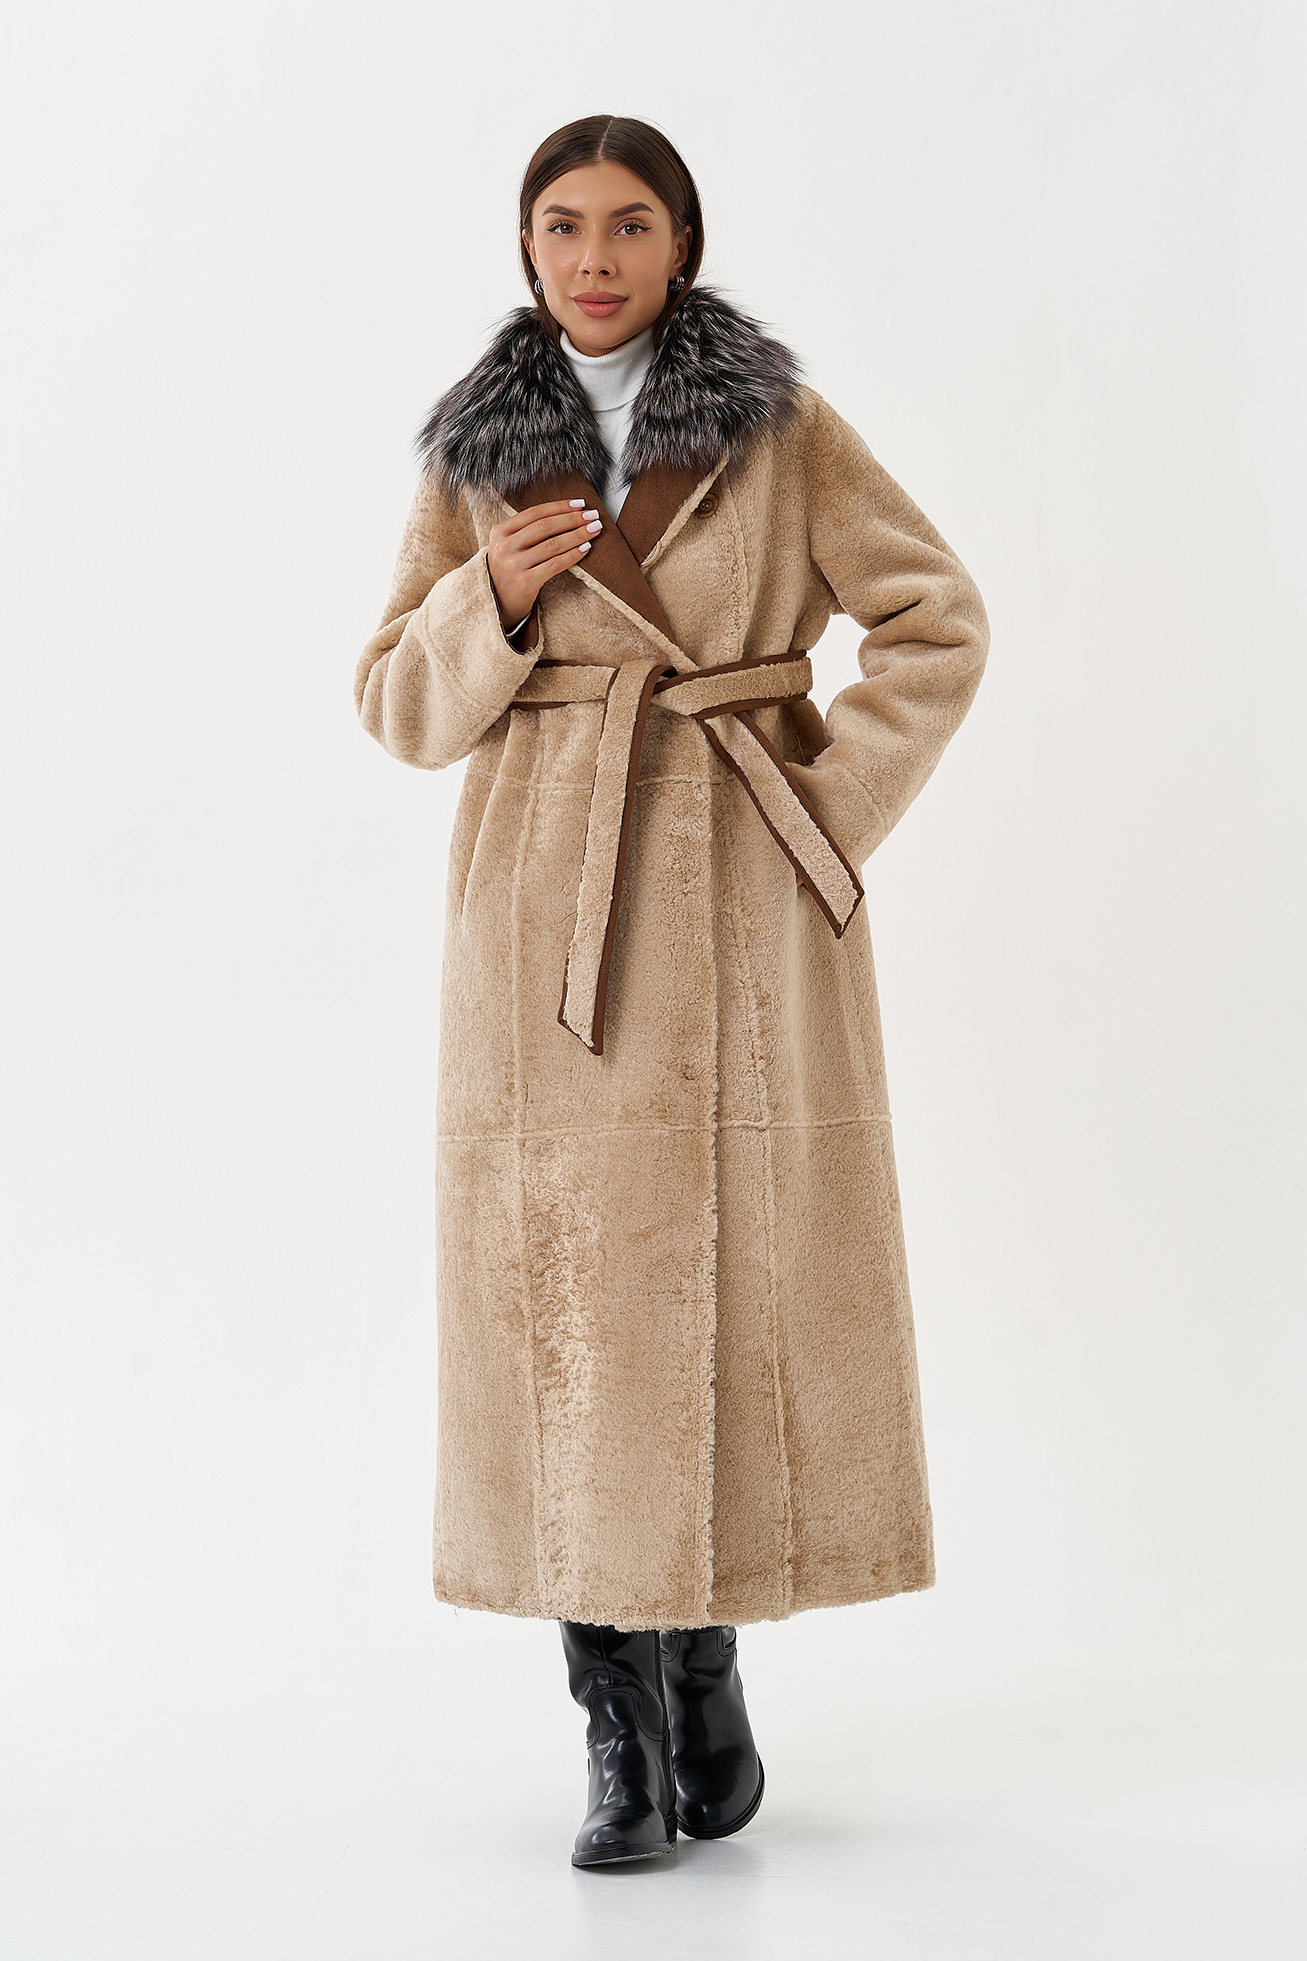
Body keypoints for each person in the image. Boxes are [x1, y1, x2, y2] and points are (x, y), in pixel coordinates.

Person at [354, 114, 989, 1870]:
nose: (595, 257)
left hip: (736, 896)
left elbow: (937, 618)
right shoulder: (480, 452)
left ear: (683, 242)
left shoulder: (779, 430)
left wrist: (822, 807)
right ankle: (617, 1726)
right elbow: (396, 707)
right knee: (567, 1307)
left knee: (722, 1278)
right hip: (543, 923)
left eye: (630, 224)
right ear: (527, 247)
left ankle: (703, 1668)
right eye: (563, 225)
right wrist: (488, 597)